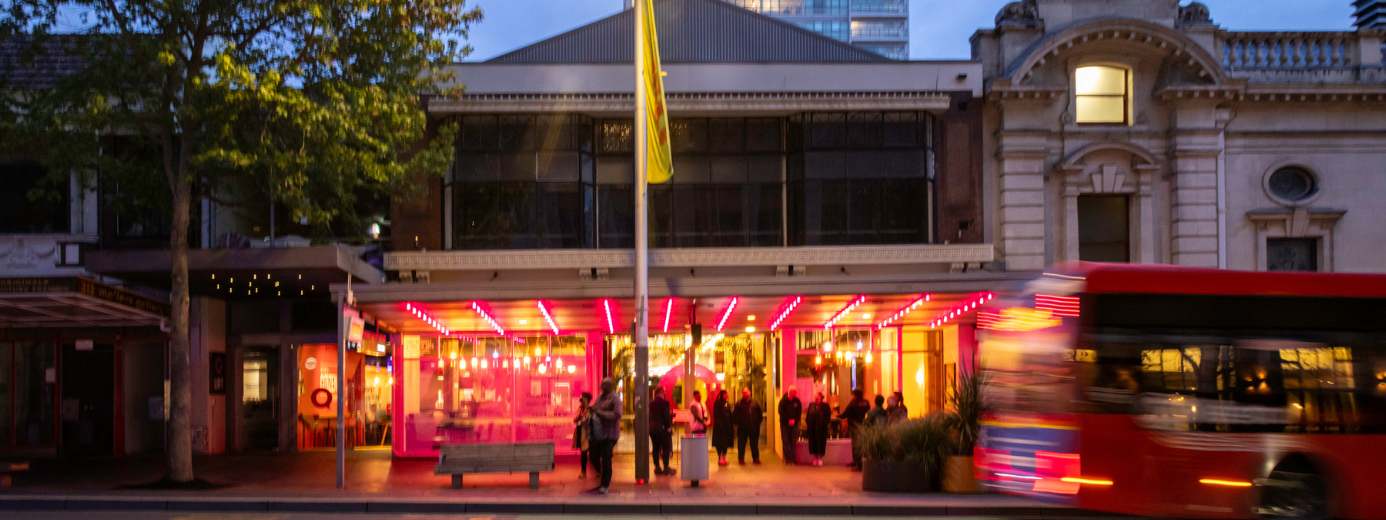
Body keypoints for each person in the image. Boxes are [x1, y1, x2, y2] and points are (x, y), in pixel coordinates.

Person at [588, 377, 622, 494]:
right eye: (602, 384)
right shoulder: (600, 397)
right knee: (593, 455)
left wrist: (600, 412)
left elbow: (617, 415)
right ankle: (602, 472)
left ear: (610, 386)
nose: (602, 386)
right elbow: (596, 409)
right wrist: (592, 410)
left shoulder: (615, 399)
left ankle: (605, 484)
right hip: (598, 434)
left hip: (610, 434)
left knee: (607, 458)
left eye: (604, 384)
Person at [837, 388, 870, 470]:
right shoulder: (866, 403)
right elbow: (867, 410)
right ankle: (859, 462)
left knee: (855, 445)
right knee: (861, 444)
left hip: (854, 426)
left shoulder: (853, 403)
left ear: (855, 395)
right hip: (862, 425)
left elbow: (845, 413)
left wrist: (837, 416)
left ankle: (857, 463)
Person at [733, 387, 764, 464]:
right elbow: (735, 415)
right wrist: (737, 424)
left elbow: (760, 414)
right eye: (743, 392)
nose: (745, 393)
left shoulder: (755, 403)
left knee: (754, 443)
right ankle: (741, 458)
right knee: (741, 444)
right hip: (742, 428)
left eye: (746, 392)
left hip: (754, 428)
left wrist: (758, 423)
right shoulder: (739, 404)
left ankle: (756, 458)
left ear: (749, 392)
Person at [649, 386, 674, 476]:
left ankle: (657, 467)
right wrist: (669, 428)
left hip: (652, 429)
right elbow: (666, 417)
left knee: (655, 448)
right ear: (662, 393)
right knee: (666, 448)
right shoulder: (665, 403)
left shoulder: (651, 404)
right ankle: (666, 467)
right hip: (662, 429)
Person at [777, 387, 803, 465]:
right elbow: (781, 412)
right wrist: (788, 420)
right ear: (789, 392)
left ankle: (793, 459)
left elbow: (799, 412)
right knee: (785, 442)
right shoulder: (783, 401)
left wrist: (794, 420)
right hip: (784, 425)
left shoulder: (797, 401)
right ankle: (787, 459)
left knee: (793, 442)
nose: (795, 393)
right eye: (794, 392)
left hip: (794, 425)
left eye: (795, 392)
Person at [805, 392, 832, 466]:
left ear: (820, 396)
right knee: (813, 443)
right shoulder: (811, 405)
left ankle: (820, 458)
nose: (816, 397)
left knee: (821, 443)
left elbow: (828, 417)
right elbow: (808, 416)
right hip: (812, 428)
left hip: (821, 429)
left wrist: (823, 424)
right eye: (815, 396)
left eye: (817, 396)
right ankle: (815, 458)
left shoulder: (825, 406)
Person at [711, 389, 734, 465]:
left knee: (725, 443)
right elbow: (716, 415)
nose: (728, 394)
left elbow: (730, 414)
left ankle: (724, 457)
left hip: (727, 427)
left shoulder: (727, 403)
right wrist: (720, 424)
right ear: (723, 394)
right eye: (727, 393)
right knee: (719, 443)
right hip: (719, 427)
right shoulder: (717, 403)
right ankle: (720, 457)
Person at [573, 392, 593, 479]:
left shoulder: (591, 409)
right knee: (583, 453)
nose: (581, 399)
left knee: (593, 454)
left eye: (583, 397)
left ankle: (597, 470)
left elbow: (593, 420)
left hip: (589, 433)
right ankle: (583, 471)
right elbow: (578, 418)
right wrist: (576, 420)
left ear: (587, 399)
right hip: (581, 432)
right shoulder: (580, 409)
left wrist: (587, 420)